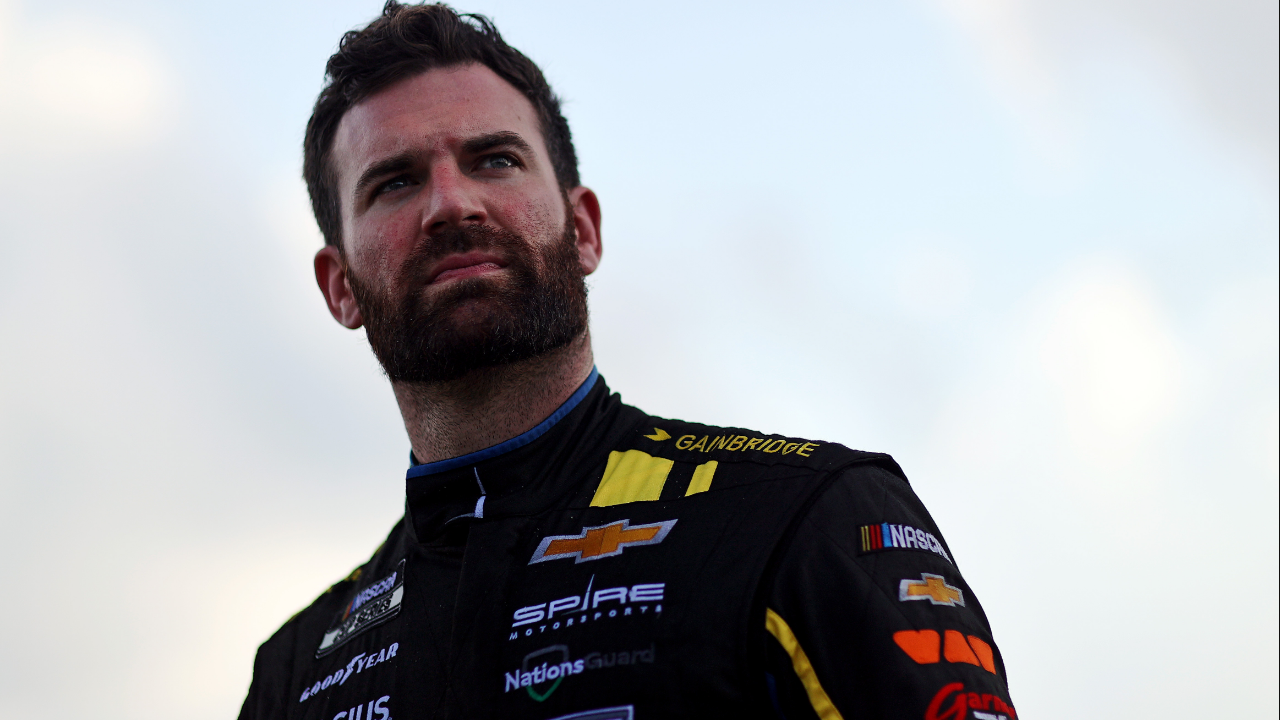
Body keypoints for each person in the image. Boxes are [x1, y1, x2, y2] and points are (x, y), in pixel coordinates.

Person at [239, 3, 1016, 719]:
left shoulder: (806, 520)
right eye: (395, 182)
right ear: (340, 286)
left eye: (495, 160)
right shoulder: (296, 673)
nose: (451, 204)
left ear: (583, 230)